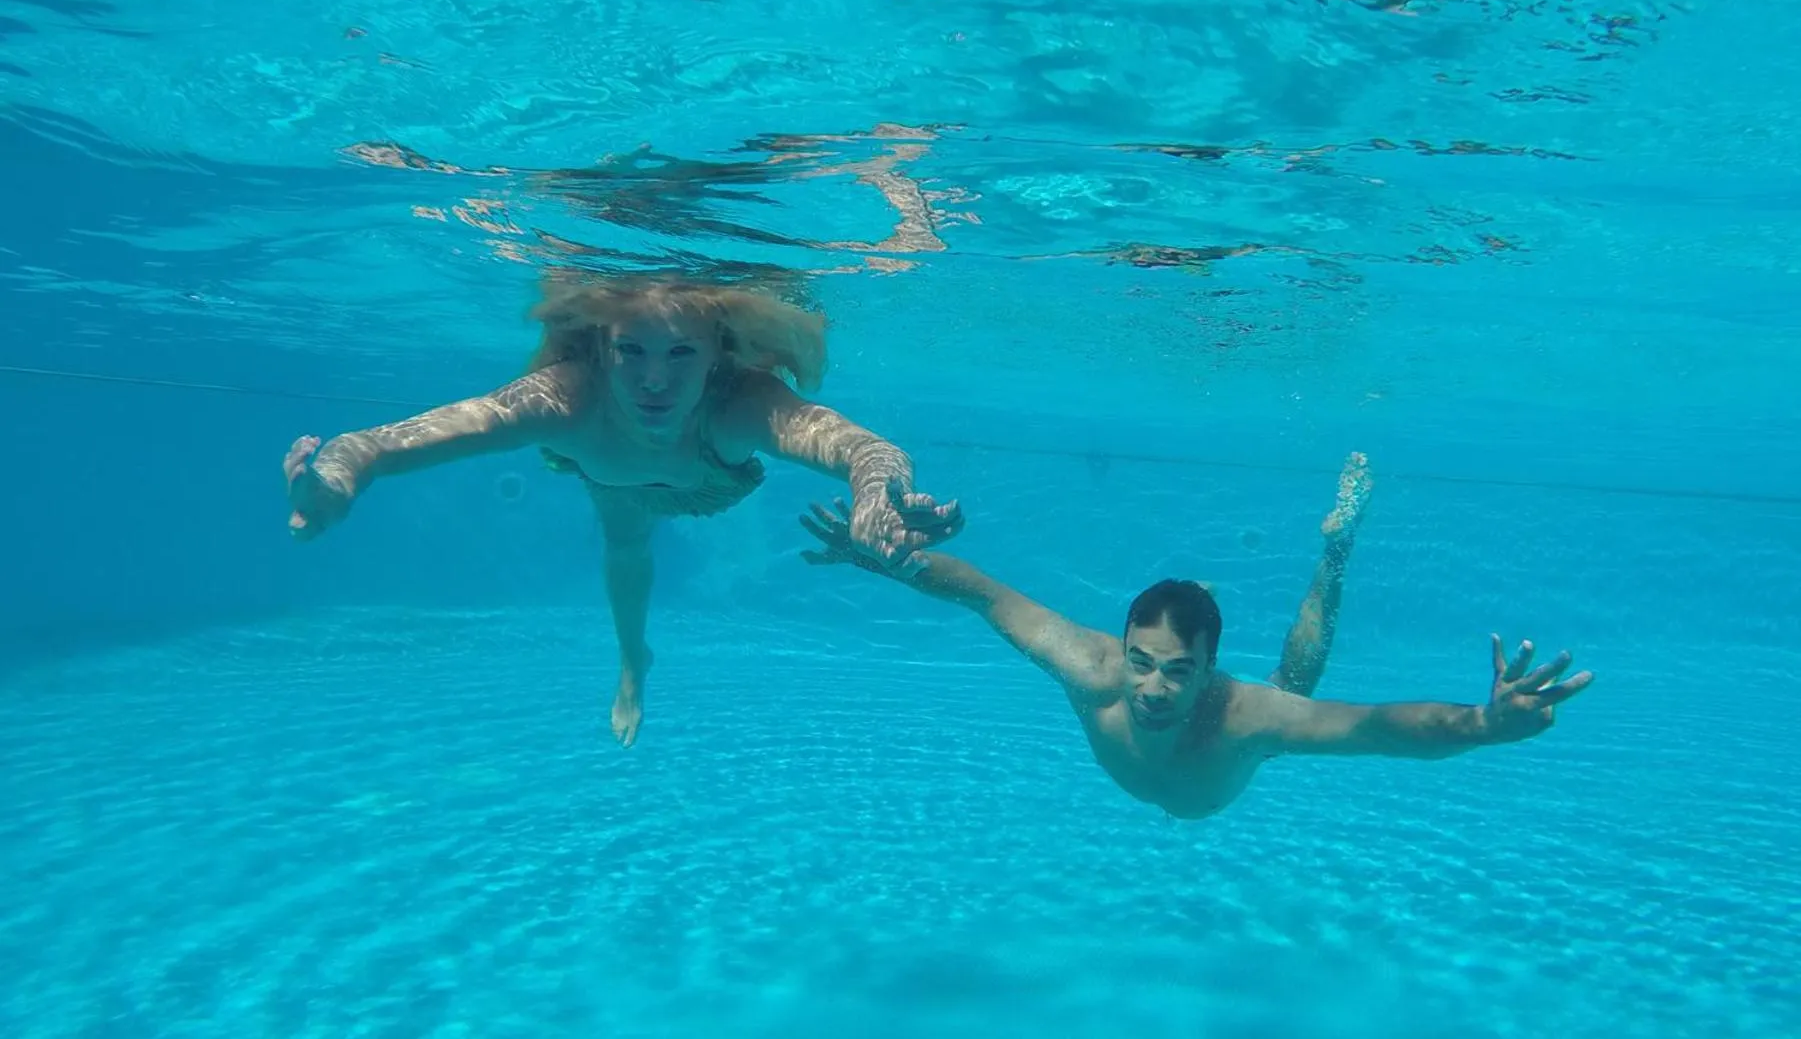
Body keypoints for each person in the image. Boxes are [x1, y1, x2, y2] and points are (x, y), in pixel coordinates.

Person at [283, 269, 963, 747]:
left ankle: (636, 660)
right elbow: (381, 441)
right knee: (626, 546)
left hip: (706, 472)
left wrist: (875, 496)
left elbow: (862, 448)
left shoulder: (738, 404)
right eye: (631, 351)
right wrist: (339, 478)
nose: (655, 379)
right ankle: (633, 662)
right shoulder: (563, 399)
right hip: (611, 478)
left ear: (716, 355)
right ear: (600, 351)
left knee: (629, 540)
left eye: (679, 352)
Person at [798, 453, 1593, 820]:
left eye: (1177, 672)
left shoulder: (1246, 716)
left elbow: (1380, 727)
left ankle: (1334, 551)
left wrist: (1484, 726)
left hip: (1249, 722)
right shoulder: (1088, 666)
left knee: (1295, 687)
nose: (1150, 688)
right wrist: (885, 561)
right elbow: (979, 591)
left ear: (1210, 669)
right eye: (1141, 661)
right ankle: (1207, 594)